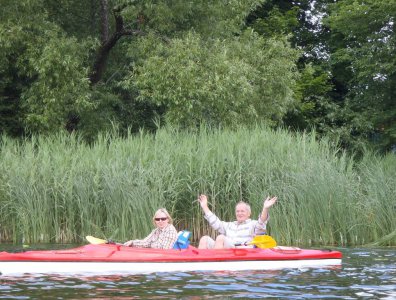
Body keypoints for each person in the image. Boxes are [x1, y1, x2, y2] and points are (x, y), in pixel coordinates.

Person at [197, 194, 277, 249]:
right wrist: (204, 206)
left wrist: (265, 208)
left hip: (240, 251)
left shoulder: (253, 224)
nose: (239, 213)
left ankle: (216, 266)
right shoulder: (229, 225)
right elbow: (215, 222)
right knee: (204, 239)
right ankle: (200, 265)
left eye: (242, 211)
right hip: (227, 250)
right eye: (237, 211)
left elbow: (262, 222)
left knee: (220, 238)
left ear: (249, 213)